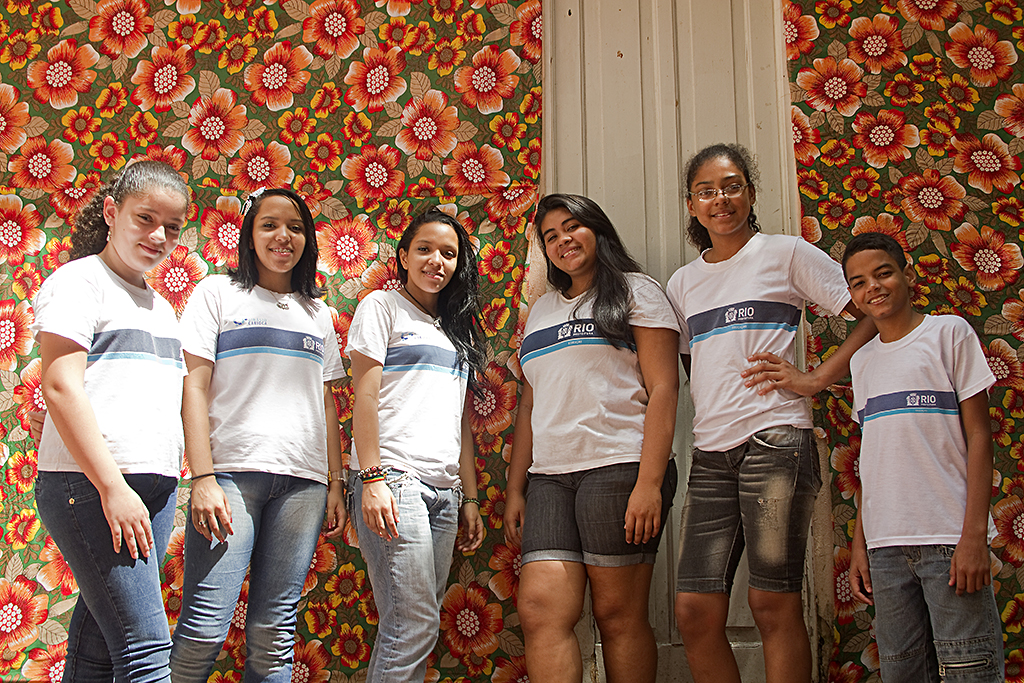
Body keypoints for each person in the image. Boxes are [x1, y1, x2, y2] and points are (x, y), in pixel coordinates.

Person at [666, 143, 876, 683]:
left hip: (777, 442)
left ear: (751, 194)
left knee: (771, 604)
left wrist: (817, 378)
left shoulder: (787, 253)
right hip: (711, 455)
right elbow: (695, 364)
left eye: (731, 186)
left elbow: (873, 312)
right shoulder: (682, 284)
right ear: (691, 205)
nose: (720, 199)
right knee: (694, 611)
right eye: (706, 191)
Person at [169, 187, 347, 683]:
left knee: (275, 632)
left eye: (295, 226)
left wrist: (335, 482)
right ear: (249, 235)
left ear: (307, 239)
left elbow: (326, 402)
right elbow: (193, 386)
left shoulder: (318, 313)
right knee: (205, 627)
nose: (282, 236)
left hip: (304, 485)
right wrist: (202, 477)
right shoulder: (217, 293)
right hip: (229, 479)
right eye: (269, 224)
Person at [503, 193, 680, 683]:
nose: (563, 240)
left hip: (619, 466)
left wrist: (650, 483)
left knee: (617, 614)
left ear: (597, 230)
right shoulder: (542, 310)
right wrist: (517, 488)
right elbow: (530, 405)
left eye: (572, 227)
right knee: (539, 609)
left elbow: (665, 388)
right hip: (549, 479)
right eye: (550, 236)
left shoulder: (636, 290)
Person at [32, 160, 189, 682]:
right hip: (92, 486)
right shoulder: (79, 283)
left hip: (154, 488)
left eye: (172, 226)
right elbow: (60, 386)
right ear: (110, 212)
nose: (158, 235)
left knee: (100, 647)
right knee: (147, 650)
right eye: (146, 218)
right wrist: (112, 487)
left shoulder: (161, 307)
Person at [844, 233, 1003, 681]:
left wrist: (973, 536)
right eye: (859, 282)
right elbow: (872, 458)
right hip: (885, 549)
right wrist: (860, 546)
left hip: (948, 538)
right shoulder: (861, 361)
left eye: (883, 273)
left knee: (969, 668)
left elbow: (980, 436)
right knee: (901, 671)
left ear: (907, 274)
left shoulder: (948, 334)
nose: (873, 287)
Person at [346, 208, 485, 683]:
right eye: (424, 249)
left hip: (444, 492)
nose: (436, 261)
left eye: (448, 253)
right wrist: (372, 478)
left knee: (411, 624)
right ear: (403, 256)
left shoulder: (455, 327)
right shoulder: (382, 307)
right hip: (393, 480)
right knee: (413, 624)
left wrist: (469, 497)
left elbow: (459, 419)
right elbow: (364, 397)